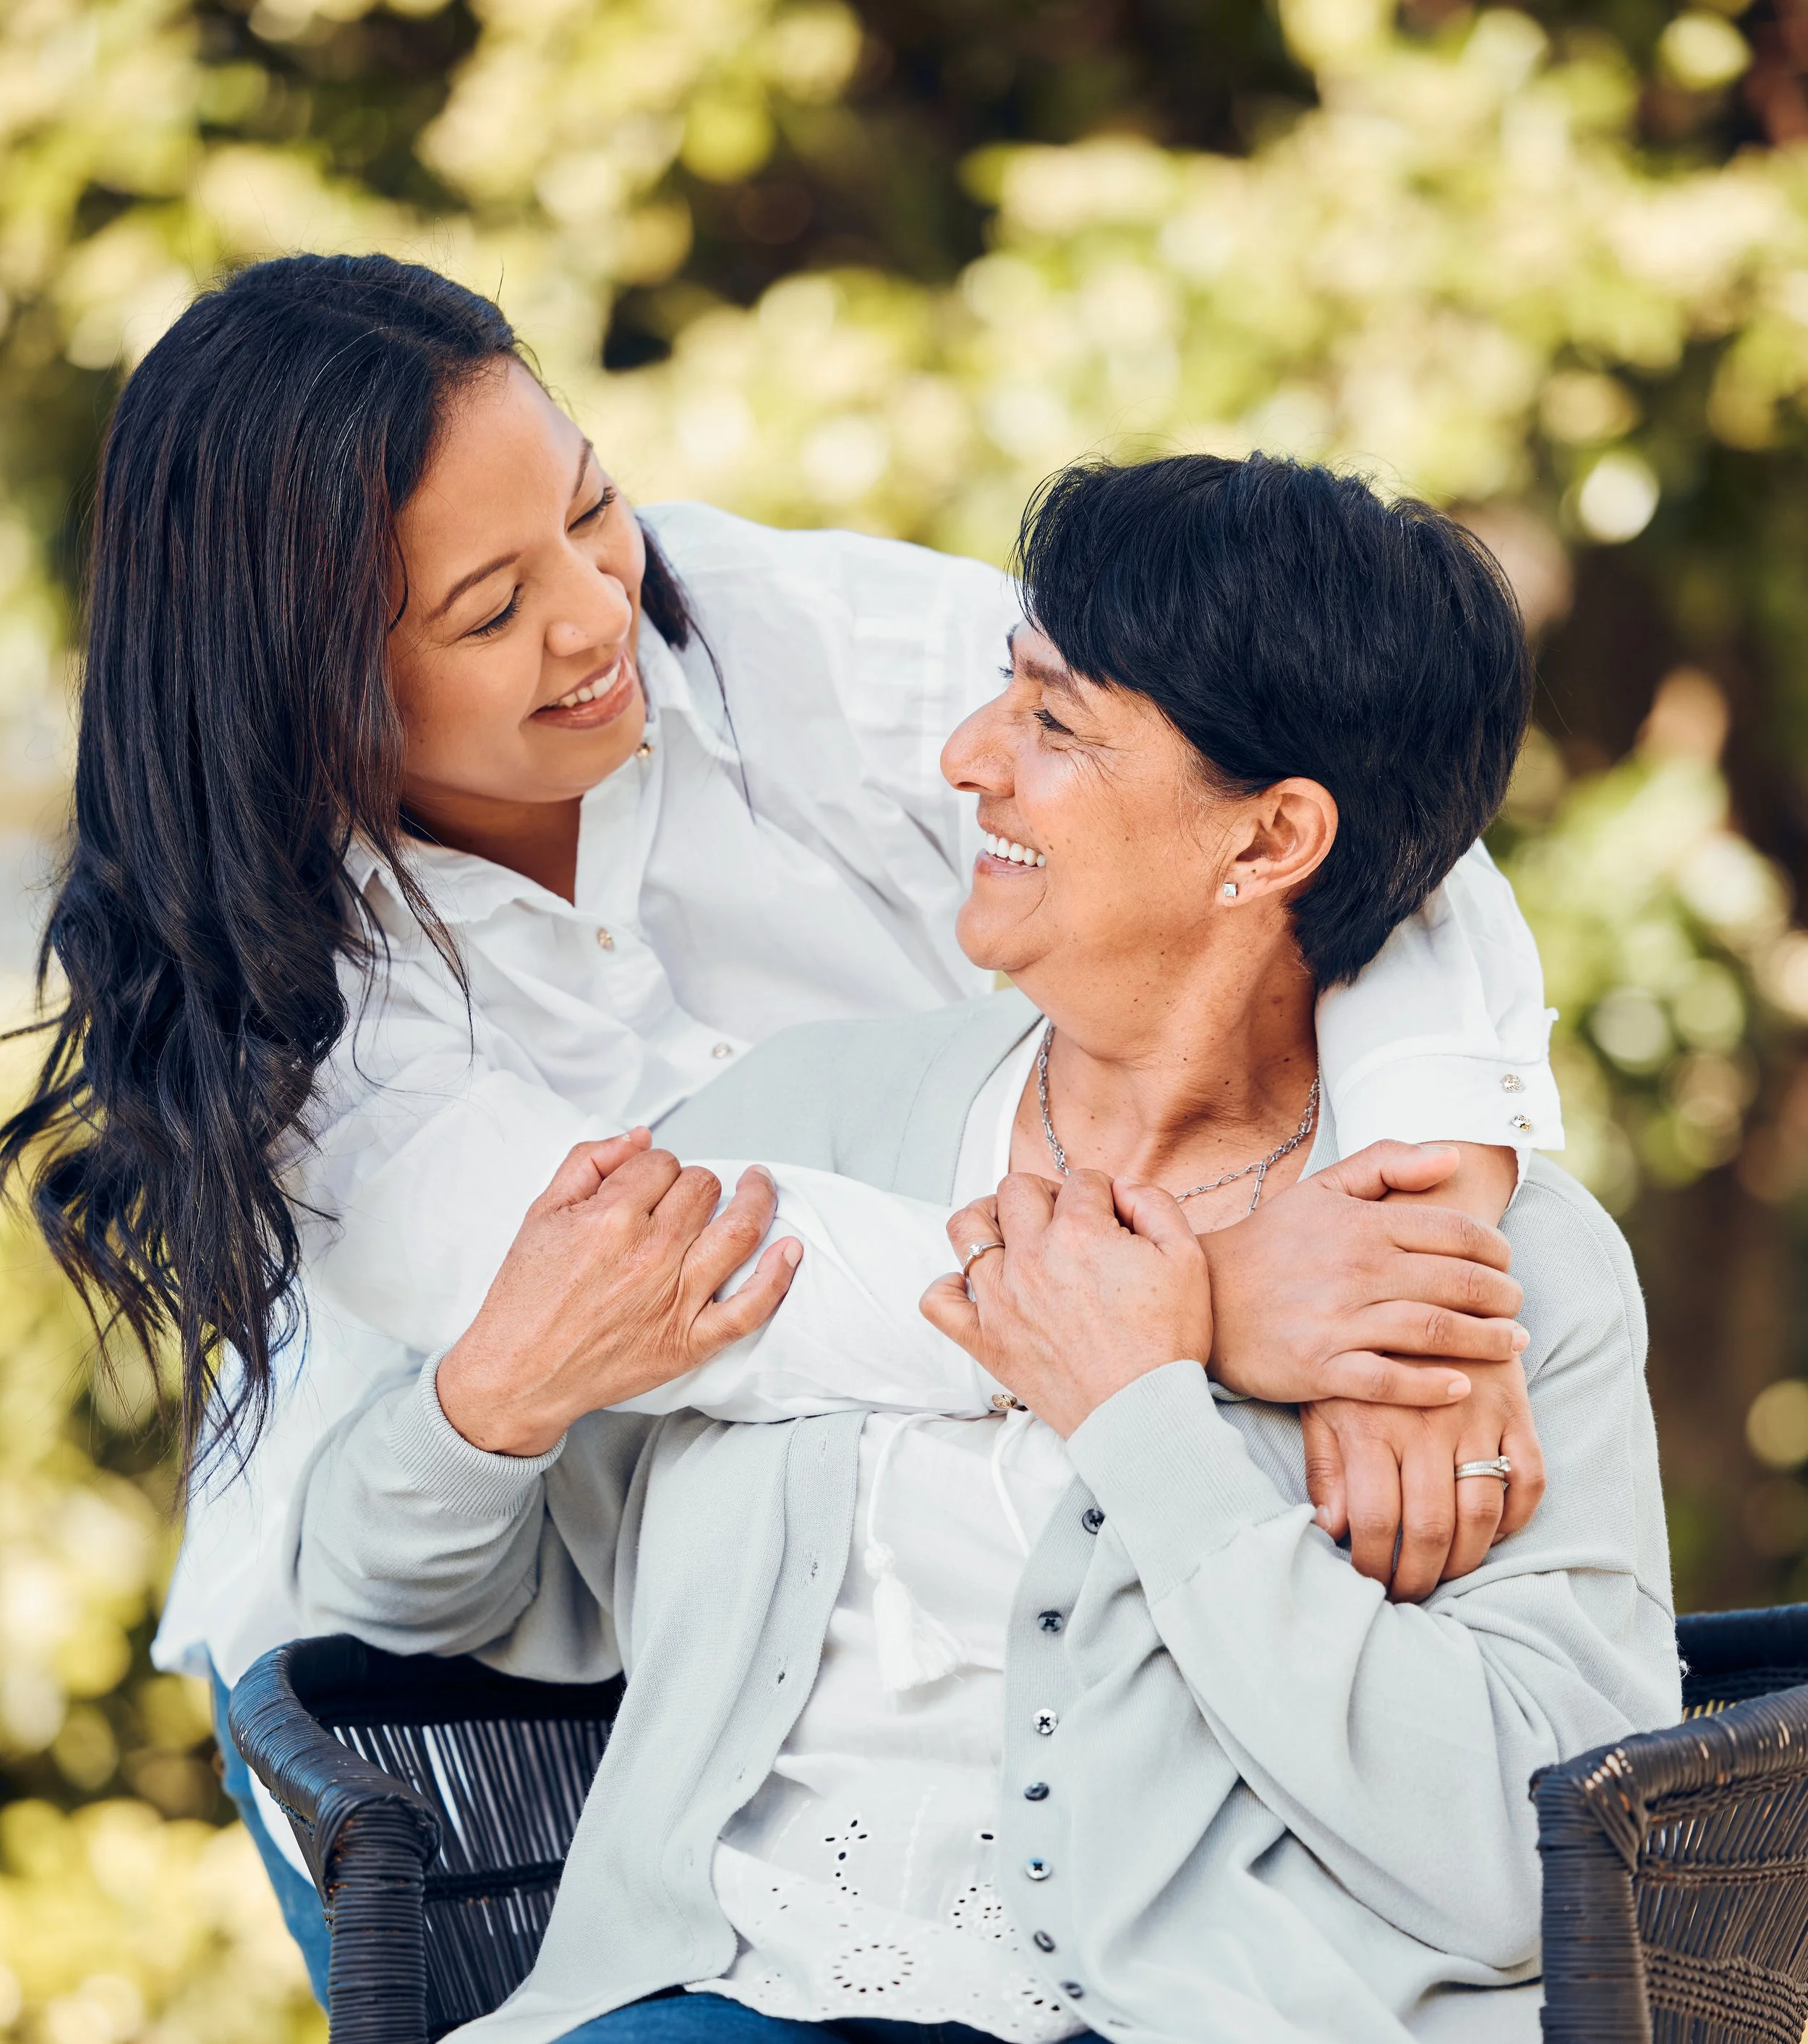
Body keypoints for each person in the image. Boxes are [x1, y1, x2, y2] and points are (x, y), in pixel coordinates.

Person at [2, 253, 1548, 1989]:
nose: (596, 614)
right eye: (491, 611)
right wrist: (1204, 1306)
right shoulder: (277, 992)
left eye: (594, 510)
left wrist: (1420, 1261)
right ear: (297, 683)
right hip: (459, 1659)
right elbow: (688, 1287)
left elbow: (1335, 796)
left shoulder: (769, 626)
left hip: (891, 1597)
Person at [294, 453, 1676, 2044]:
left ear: (1271, 837)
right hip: (714, 1996)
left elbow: (1531, 1862)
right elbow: (405, 1588)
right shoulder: (790, 1126)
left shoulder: (1478, 1286)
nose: (964, 761)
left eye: (1053, 724)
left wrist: (1148, 1423)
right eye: (998, 698)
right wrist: (492, 1406)